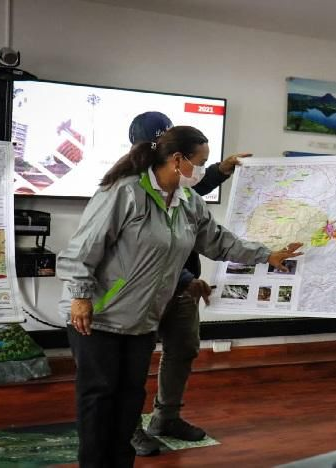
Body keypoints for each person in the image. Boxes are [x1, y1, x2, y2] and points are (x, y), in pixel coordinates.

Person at [57, 125, 302, 467]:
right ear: (177, 160)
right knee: (99, 398)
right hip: (99, 315)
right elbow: (82, 249)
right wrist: (81, 296)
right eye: (199, 163)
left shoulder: (189, 202)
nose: (201, 170)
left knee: (130, 399)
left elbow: (219, 242)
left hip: (143, 320)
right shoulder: (126, 192)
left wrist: (267, 255)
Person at [125, 113, 253, 456]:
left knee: (183, 349)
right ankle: (128, 427)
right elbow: (140, 253)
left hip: (182, 286)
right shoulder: (129, 187)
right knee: (133, 361)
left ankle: (166, 418)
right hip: (140, 293)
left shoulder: (181, 188)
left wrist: (221, 170)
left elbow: (194, 194)